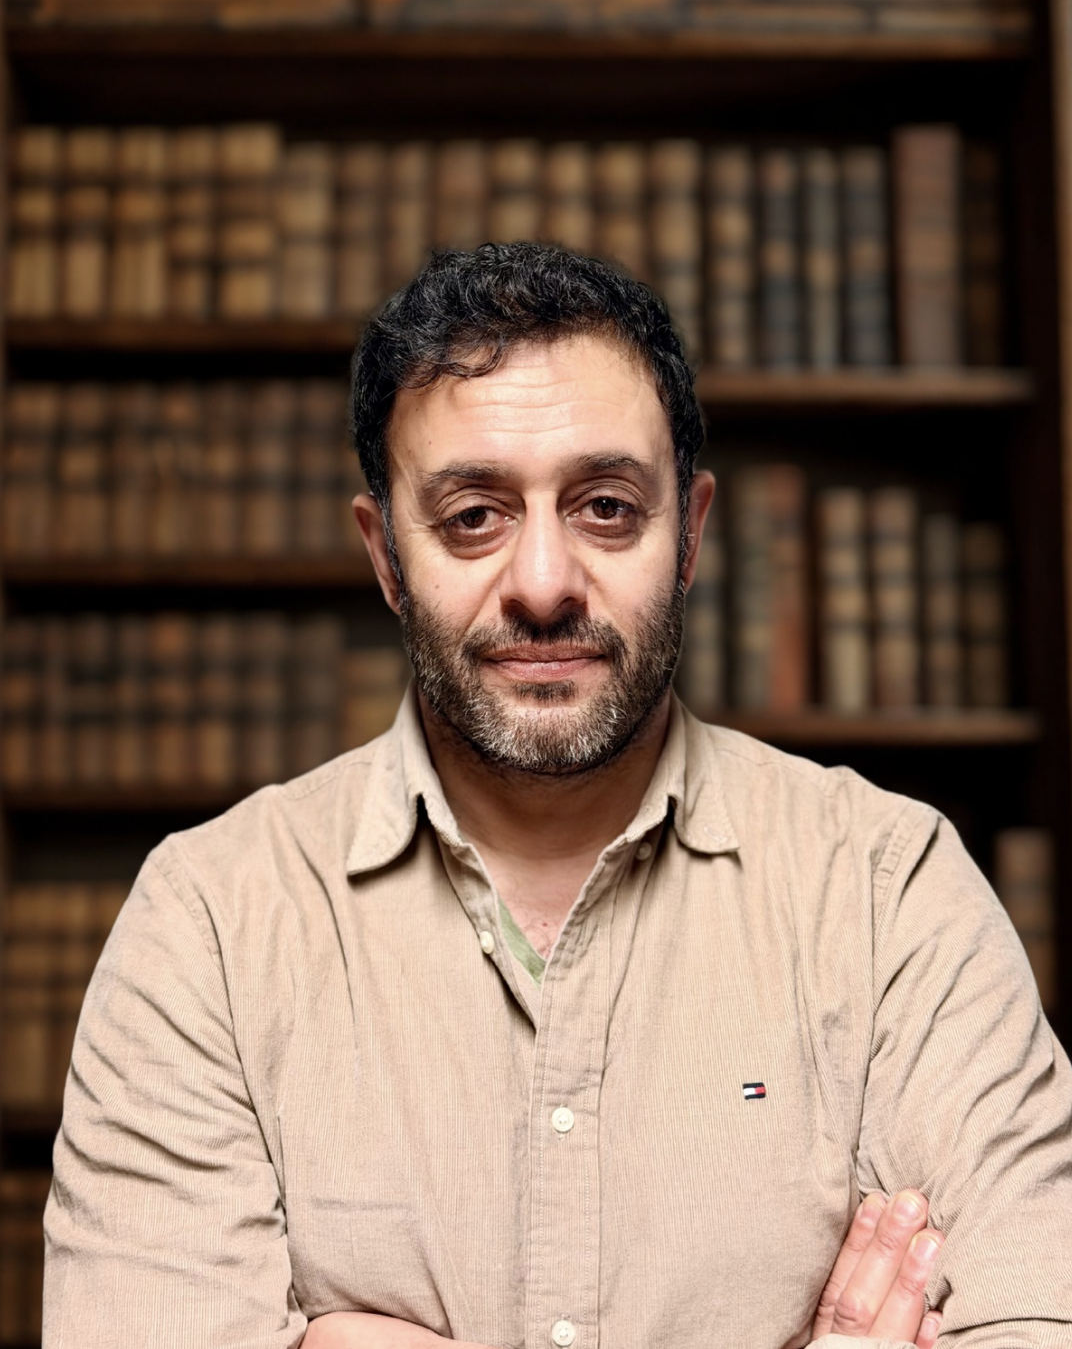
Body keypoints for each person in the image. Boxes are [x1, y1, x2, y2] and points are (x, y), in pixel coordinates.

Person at [44, 244, 1071, 1349]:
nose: (542, 583)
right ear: (385, 554)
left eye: (607, 506)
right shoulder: (208, 922)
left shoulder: (888, 893)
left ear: (692, 534)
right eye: (472, 516)